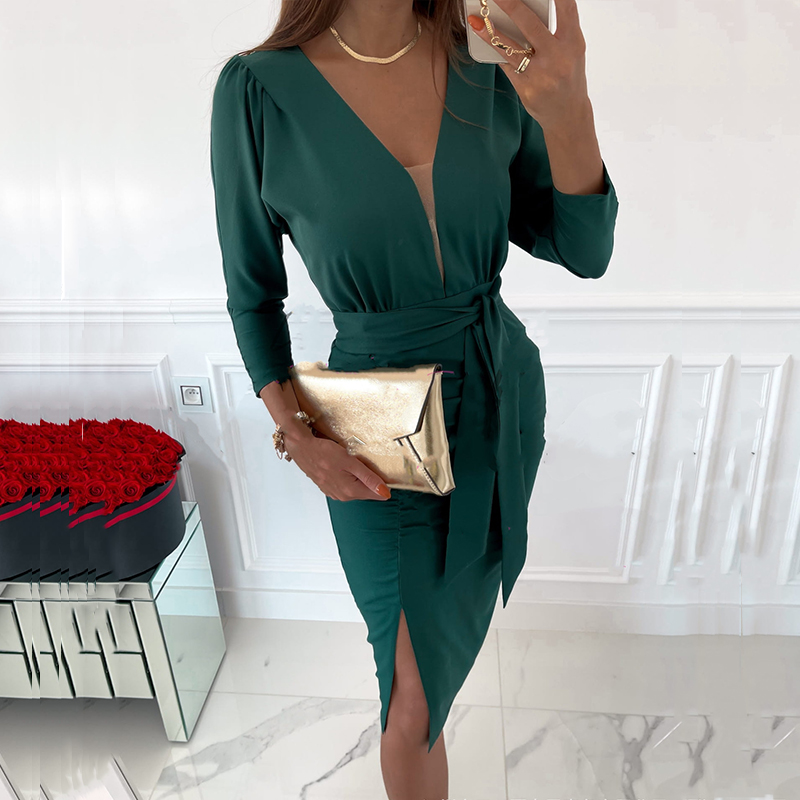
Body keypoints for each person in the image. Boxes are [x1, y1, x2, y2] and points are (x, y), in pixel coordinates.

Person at [210, 0, 618, 796]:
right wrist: (298, 437)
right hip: (376, 431)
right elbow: (251, 298)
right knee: (411, 699)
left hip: (498, 402)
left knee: (432, 677)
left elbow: (585, 248)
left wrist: (571, 111)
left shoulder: (485, 61)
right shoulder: (258, 91)